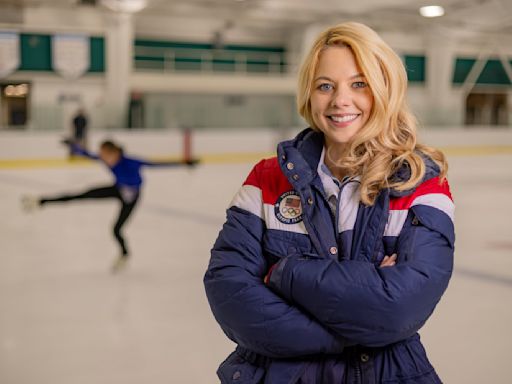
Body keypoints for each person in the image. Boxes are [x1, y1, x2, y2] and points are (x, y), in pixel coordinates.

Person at [204, 22, 454, 383]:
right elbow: (230, 293)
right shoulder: (266, 179)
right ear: (309, 94)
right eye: (325, 86)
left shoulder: (420, 184)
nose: (340, 100)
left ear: (385, 90)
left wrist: (283, 273)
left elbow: (398, 308)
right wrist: (357, 323)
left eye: (359, 84)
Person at [23, 139, 199, 273]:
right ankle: (40, 202)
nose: (103, 159)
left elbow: (156, 164)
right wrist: (73, 146)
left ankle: (124, 255)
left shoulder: (131, 162)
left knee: (116, 230)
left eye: (105, 155)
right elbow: (86, 154)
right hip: (117, 189)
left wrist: (185, 162)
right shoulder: (105, 158)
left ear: (114, 153)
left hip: (131, 197)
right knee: (80, 195)